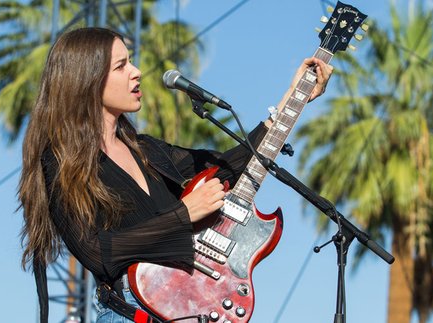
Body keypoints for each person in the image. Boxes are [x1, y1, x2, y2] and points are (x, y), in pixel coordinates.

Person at [18, 27, 332, 323]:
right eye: (121, 66)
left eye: (132, 61)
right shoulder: (60, 162)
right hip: (129, 313)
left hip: (189, 310)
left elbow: (224, 168)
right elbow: (97, 253)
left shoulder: (146, 150)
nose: (137, 71)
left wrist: (294, 97)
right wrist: (185, 214)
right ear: (88, 79)